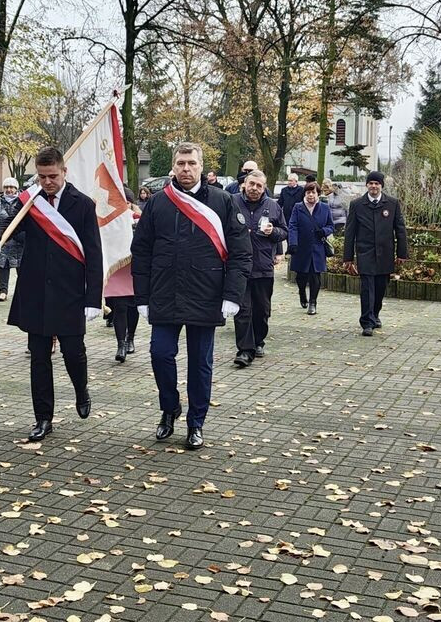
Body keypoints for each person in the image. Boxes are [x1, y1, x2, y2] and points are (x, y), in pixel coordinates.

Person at [131, 142, 252, 450]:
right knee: (160, 354)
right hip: (164, 293)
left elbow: (241, 253)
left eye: (192, 163)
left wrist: (232, 296)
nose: (186, 168)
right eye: (181, 163)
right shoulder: (158, 203)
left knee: (200, 363)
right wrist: (141, 296)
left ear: (201, 166)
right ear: (174, 166)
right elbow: (141, 252)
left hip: (206, 294)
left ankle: (196, 423)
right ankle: (169, 408)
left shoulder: (223, 202)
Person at [0, 146, 103, 442]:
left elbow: (94, 253)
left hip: (70, 290)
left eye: (52, 176)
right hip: (35, 288)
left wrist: (93, 298)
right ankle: (43, 418)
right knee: (38, 357)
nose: (47, 182)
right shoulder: (30, 202)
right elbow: (7, 224)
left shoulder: (83, 204)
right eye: (42, 176)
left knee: (73, 352)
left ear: (64, 172)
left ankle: (81, 389)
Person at [232, 170, 287, 368]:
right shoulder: (233, 202)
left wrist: (273, 231)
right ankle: (245, 350)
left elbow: (284, 232)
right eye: (251, 184)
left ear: (264, 188)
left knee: (261, 310)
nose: (254, 188)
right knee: (243, 310)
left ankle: (258, 341)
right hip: (239, 266)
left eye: (259, 186)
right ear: (244, 184)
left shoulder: (273, 206)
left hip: (263, 267)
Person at [342, 170, 408, 337]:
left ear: (381, 186)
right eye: (370, 183)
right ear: (366, 185)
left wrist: (402, 253)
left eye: (376, 183)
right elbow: (350, 233)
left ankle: (375, 314)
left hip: (385, 253)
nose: (373, 186)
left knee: (380, 288)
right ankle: (366, 322)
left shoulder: (392, 204)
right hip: (365, 254)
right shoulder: (357, 204)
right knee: (367, 289)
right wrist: (348, 258)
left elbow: (400, 230)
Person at [288, 182, 334, 315]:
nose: (310, 195)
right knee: (301, 276)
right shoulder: (298, 207)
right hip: (301, 247)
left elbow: (331, 225)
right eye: (308, 192)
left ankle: (313, 302)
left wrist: (324, 231)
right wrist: (293, 243)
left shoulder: (324, 208)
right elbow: (293, 225)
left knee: (315, 276)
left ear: (318, 194)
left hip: (317, 247)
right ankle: (302, 292)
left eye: (313, 192)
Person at [0, 177, 25, 302]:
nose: (9, 190)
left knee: (22, 268)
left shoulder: (23, 202)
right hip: (4, 243)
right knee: (4, 267)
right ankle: (3, 292)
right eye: (6, 187)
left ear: (16, 188)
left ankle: (23, 292)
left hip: (20, 243)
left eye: (12, 187)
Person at [106, 265, 139, 362]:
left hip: (134, 266)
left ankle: (130, 338)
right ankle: (121, 345)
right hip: (117, 265)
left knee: (133, 306)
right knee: (119, 306)